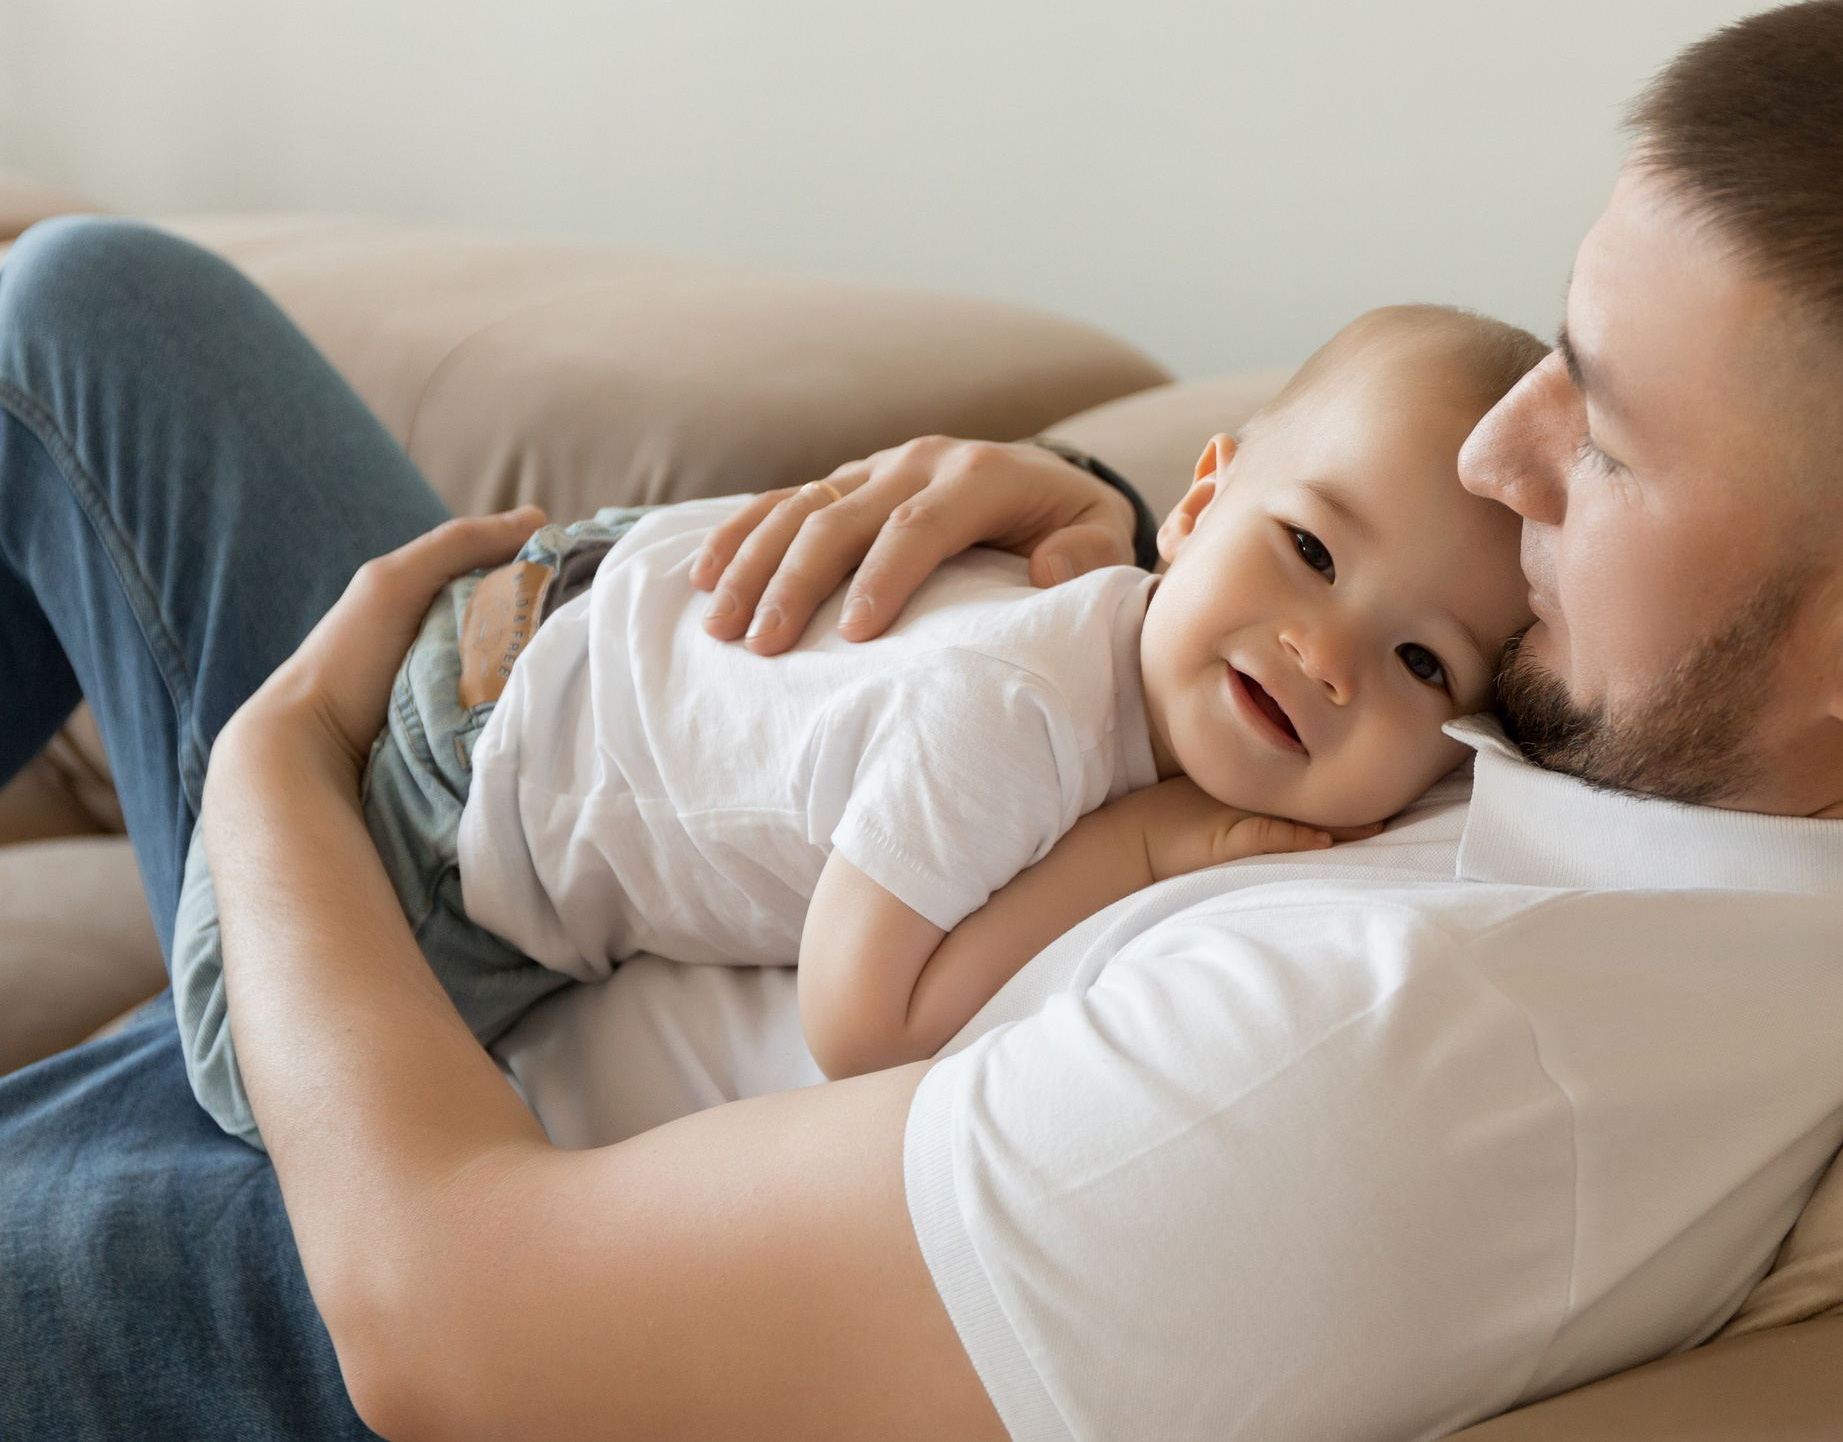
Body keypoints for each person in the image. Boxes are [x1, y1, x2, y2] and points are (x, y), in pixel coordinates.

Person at [0, 0, 1843, 1441]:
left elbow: (447, 1323)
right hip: (578, 859)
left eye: (1595, 436)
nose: (1497, 473)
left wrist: (271, 788)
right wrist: (1115, 562)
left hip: (378, 1197)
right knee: (84, 314)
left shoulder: (1392, 1078)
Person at [168, 306, 1541, 1147]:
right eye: (1307, 547)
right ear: (1193, 506)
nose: (1330, 654)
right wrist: (1143, 850)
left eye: (1423, 659)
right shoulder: (1020, 709)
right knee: (251, 1081)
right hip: (480, 764)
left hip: (588, 627)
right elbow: (862, 1019)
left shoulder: (1115, 666)